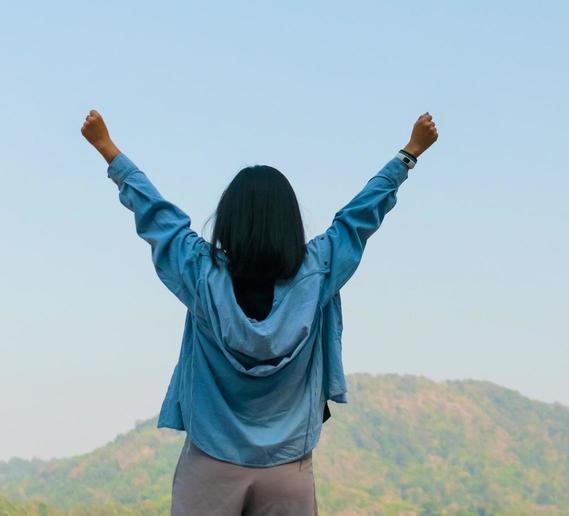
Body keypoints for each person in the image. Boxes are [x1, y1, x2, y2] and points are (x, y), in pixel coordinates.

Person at [79, 108, 439, 516]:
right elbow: (359, 217)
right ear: (289, 220)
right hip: (288, 463)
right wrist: (408, 154)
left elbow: (157, 215)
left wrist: (108, 150)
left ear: (229, 218)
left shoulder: (200, 273)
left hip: (211, 459)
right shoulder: (318, 270)